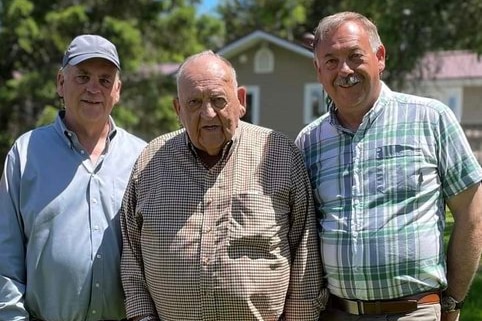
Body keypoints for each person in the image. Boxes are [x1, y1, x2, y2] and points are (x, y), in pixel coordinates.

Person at [295, 11, 482, 321]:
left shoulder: (430, 119)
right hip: (337, 312)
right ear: (318, 71)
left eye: (355, 56)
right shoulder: (309, 141)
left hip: (413, 312)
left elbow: (471, 213)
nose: (344, 70)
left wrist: (452, 302)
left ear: (379, 57)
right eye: (330, 61)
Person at [120, 50, 327, 321]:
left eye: (218, 100)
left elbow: (304, 257)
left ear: (240, 101)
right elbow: (132, 258)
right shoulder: (150, 162)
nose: (207, 113)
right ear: (178, 109)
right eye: (194, 102)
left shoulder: (278, 153)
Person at [0, 34, 147, 321]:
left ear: (117, 90)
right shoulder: (26, 153)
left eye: (105, 80)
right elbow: (6, 256)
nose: (94, 88)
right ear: (60, 82)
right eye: (82, 76)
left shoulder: (141, 157)